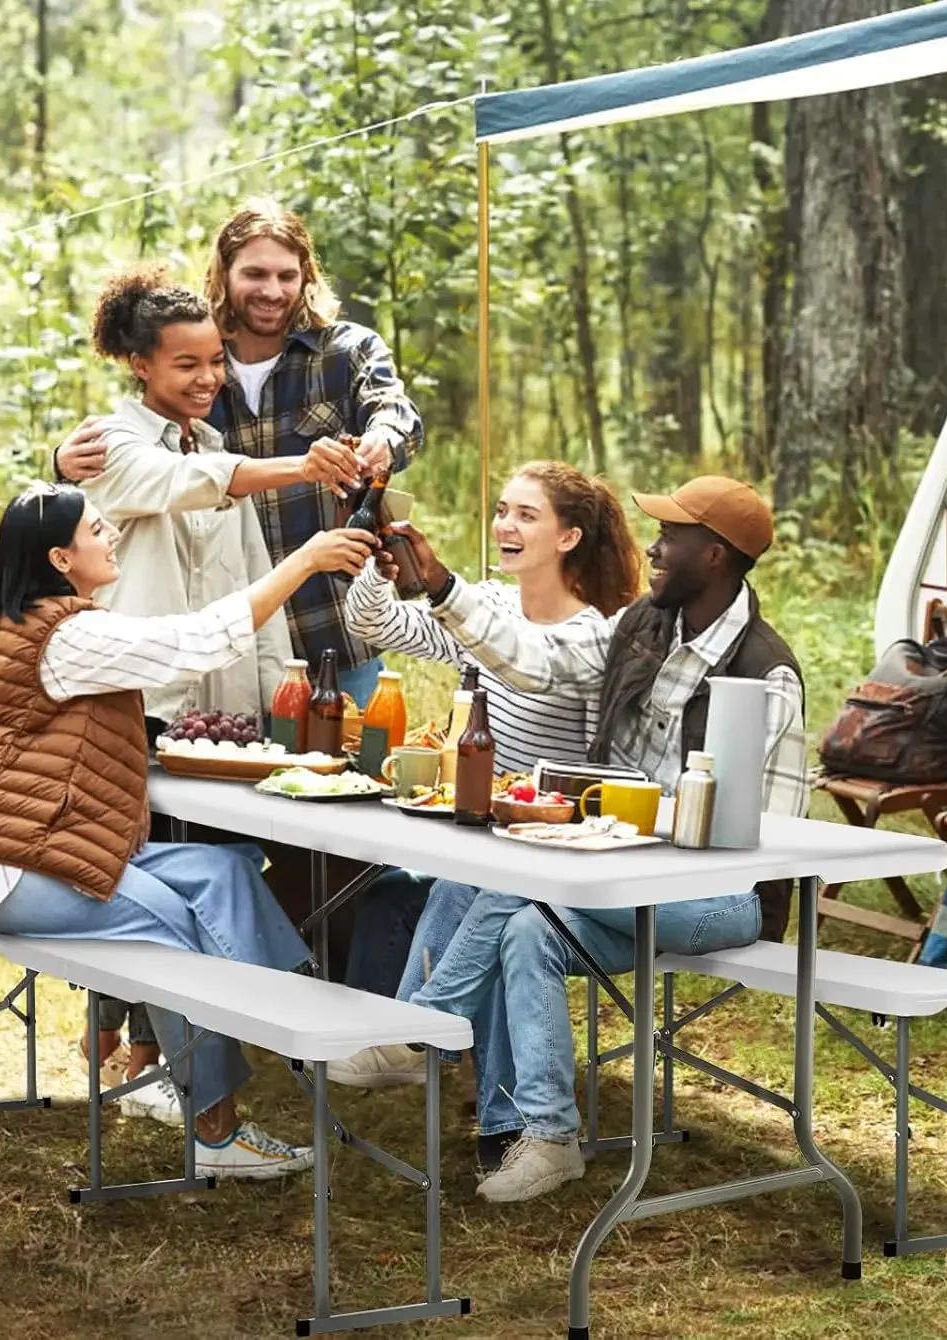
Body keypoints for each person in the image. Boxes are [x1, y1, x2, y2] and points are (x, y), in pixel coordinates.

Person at [332, 476, 808, 1202]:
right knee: (527, 926)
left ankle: (425, 1027)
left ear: (714, 556)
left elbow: (775, 835)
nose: (653, 546)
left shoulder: (765, 671)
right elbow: (535, 663)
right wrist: (444, 586)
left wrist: (640, 832)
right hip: (620, 872)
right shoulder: (643, 625)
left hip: (719, 897)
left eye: (672, 536)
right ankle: (548, 1137)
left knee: (516, 881)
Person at [0, 483, 376, 1180]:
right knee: (172, 931)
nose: (111, 532)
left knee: (222, 870)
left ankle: (292, 1021)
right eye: (94, 529)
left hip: (45, 852)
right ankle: (216, 1131)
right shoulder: (70, 634)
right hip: (15, 873)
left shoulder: (56, 625)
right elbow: (195, 643)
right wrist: (304, 562)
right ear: (59, 557)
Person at [72, 265, 344, 1108]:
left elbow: (255, 588)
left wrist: (279, 696)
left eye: (214, 363)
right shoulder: (110, 450)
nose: (207, 379)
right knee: (145, 878)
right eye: (186, 365)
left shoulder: (213, 450)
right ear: (141, 367)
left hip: (218, 715)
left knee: (213, 863)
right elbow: (183, 487)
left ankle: (156, 1051)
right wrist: (300, 467)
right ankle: (137, 1056)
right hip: (137, 707)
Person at [334, 462, 641, 1169]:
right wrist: (384, 564)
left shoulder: (594, 634)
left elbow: (528, 662)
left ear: (569, 536)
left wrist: (445, 588)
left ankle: (422, 1039)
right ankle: (480, 1101)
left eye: (526, 515)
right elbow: (373, 622)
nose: (505, 525)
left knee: (471, 897)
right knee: (456, 887)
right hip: (494, 827)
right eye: (502, 510)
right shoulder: (492, 610)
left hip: (566, 838)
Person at [54, 196, 424, 708]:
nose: (272, 291)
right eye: (255, 274)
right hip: (225, 639)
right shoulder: (195, 361)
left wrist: (383, 439)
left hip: (333, 624)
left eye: (287, 276)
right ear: (224, 273)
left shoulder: (345, 350)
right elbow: (145, 463)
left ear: (306, 276)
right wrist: (61, 462)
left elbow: (396, 410)